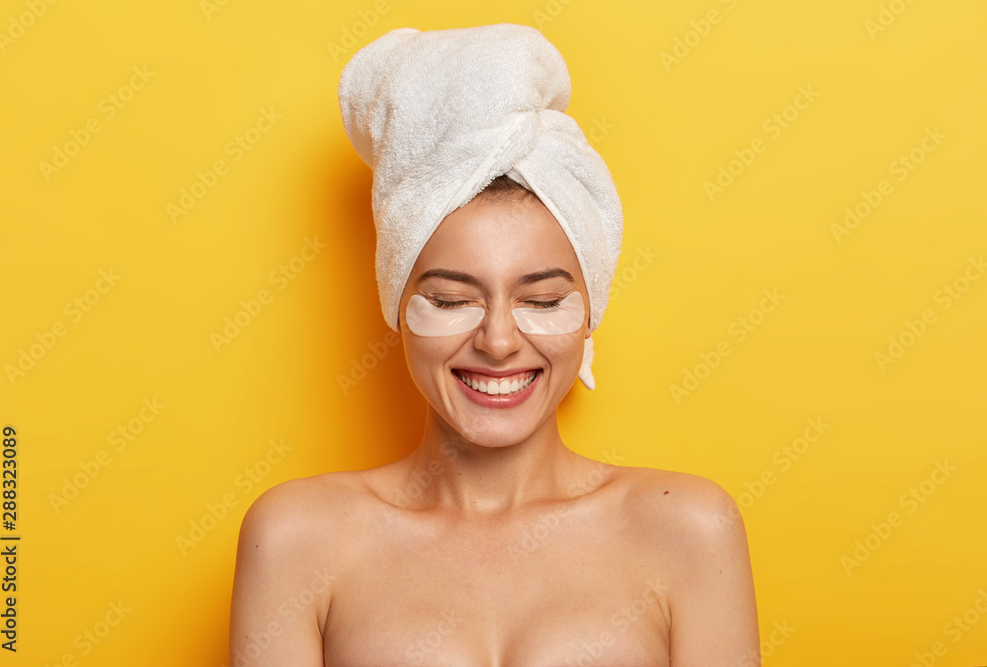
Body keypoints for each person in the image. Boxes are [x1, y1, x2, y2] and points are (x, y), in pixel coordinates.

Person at [229, 23, 759, 667]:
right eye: (452, 300)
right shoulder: (298, 540)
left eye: (541, 300)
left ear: (589, 312)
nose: (500, 341)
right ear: (397, 307)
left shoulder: (687, 530)